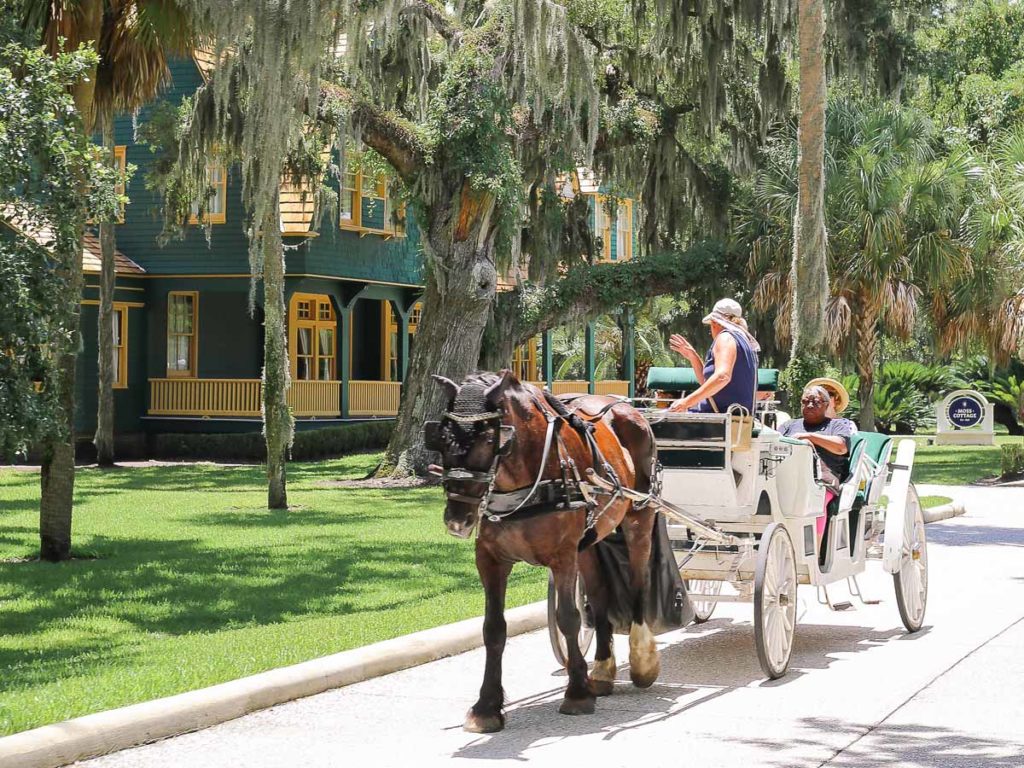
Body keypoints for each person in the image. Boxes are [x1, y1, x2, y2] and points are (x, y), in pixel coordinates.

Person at [667, 298, 760, 414]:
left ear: (715, 322)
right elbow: (711, 385)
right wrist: (693, 356)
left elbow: (722, 377)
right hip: (738, 421)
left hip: (720, 422)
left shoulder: (725, 338)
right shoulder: (746, 343)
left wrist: (686, 402)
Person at [778, 384, 856, 488]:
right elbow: (775, 441)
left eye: (816, 402)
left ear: (826, 405)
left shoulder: (836, 425)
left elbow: (841, 447)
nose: (809, 405)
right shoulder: (789, 425)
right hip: (787, 479)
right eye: (805, 402)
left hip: (821, 483)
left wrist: (808, 437)